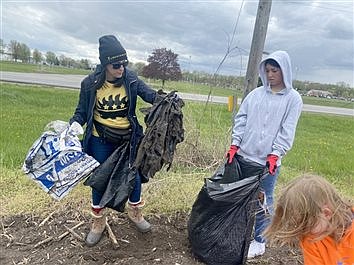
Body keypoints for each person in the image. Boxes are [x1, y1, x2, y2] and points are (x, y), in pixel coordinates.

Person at [70, 35, 158, 246]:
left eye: (124, 64)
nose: (121, 69)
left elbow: (150, 95)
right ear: (105, 64)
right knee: (99, 181)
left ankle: (135, 213)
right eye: (116, 65)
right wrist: (74, 124)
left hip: (127, 140)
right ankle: (98, 223)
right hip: (101, 141)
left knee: (134, 178)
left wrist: (165, 100)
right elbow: (81, 112)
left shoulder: (131, 79)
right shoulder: (90, 83)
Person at [226, 50, 303, 258]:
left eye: (274, 70)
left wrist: (275, 154)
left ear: (283, 71)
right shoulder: (256, 95)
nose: (270, 74)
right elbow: (241, 119)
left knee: (262, 201)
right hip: (244, 156)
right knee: (239, 197)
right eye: (267, 70)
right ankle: (238, 234)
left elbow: (287, 130)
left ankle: (260, 241)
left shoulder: (293, 99)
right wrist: (235, 145)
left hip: (266, 163)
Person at [264, 174, 354, 265]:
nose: (302, 232)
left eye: (305, 225)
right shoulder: (312, 239)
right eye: (297, 226)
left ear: (326, 214)